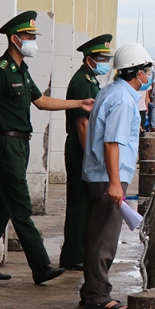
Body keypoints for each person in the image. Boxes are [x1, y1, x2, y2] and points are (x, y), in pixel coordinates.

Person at [0, 11, 94, 283]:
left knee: (1, 206)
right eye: (28, 36)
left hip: (21, 144)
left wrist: (79, 103)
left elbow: (42, 102)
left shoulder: (22, 71)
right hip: (6, 143)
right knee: (22, 207)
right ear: (15, 39)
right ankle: (41, 266)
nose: (32, 41)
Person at [79, 42, 152, 309]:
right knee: (104, 239)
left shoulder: (110, 91)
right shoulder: (123, 100)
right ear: (137, 73)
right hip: (108, 176)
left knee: (97, 234)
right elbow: (112, 143)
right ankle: (97, 295)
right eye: (147, 71)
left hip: (99, 174)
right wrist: (114, 183)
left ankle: (93, 290)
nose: (148, 76)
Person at [58, 34, 112, 270]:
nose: (105, 63)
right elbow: (83, 124)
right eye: (102, 58)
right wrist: (91, 154)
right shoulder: (82, 82)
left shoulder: (89, 79)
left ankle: (78, 251)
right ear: (90, 59)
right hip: (81, 147)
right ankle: (73, 256)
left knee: (85, 201)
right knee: (79, 201)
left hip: (84, 147)